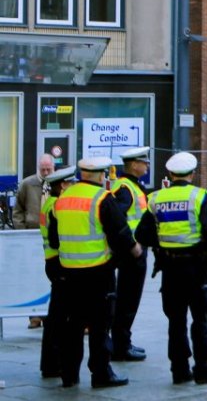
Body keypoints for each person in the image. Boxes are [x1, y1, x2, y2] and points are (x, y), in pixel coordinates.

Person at [51, 156, 141, 389]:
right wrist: (134, 249)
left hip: (69, 274)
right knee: (100, 327)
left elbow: (53, 237)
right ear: (102, 175)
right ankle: (101, 373)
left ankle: (69, 375)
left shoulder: (62, 199)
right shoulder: (102, 198)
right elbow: (119, 231)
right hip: (98, 273)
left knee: (73, 327)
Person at [136, 152, 207, 385]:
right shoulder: (199, 196)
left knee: (176, 321)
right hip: (196, 266)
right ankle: (203, 368)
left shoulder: (155, 198)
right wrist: (202, 247)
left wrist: (162, 244)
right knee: (201, 318)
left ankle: (179, 370)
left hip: (170, 268)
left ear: (170, 174)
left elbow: (141, 234)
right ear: (192, 174)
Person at [109, 147, 151, 361]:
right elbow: (117, 219)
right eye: (144, 161)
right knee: (128, 299)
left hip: (133, 249)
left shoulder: (131, 186)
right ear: (134, 165)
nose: (147, 164)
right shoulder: (125, 188)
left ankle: (122, 342)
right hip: (131, 252)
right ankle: (121, 345)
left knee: (127, 298)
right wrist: (131, 244)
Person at [38, 164, 76, 379]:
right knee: (60, 317)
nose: (73, 186)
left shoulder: (48, 204)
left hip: (50, 261)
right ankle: (54, 364)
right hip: (59, 263)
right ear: (62, 185)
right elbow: (56, 238)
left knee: (56, 316)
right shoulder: (57, 206)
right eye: (71, 183)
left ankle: (51, 363)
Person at [17, 153, 55, 330]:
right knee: (33, 275)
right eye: (43, 169)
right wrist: (22, 231)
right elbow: (18, 210)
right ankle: (34, 316)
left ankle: (48, 314)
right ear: (38, 168)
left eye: (49, 169)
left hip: (51, 237)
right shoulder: (27, 184)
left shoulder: (57, 184)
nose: (46, 172)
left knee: (50, 275)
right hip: (32, 235)